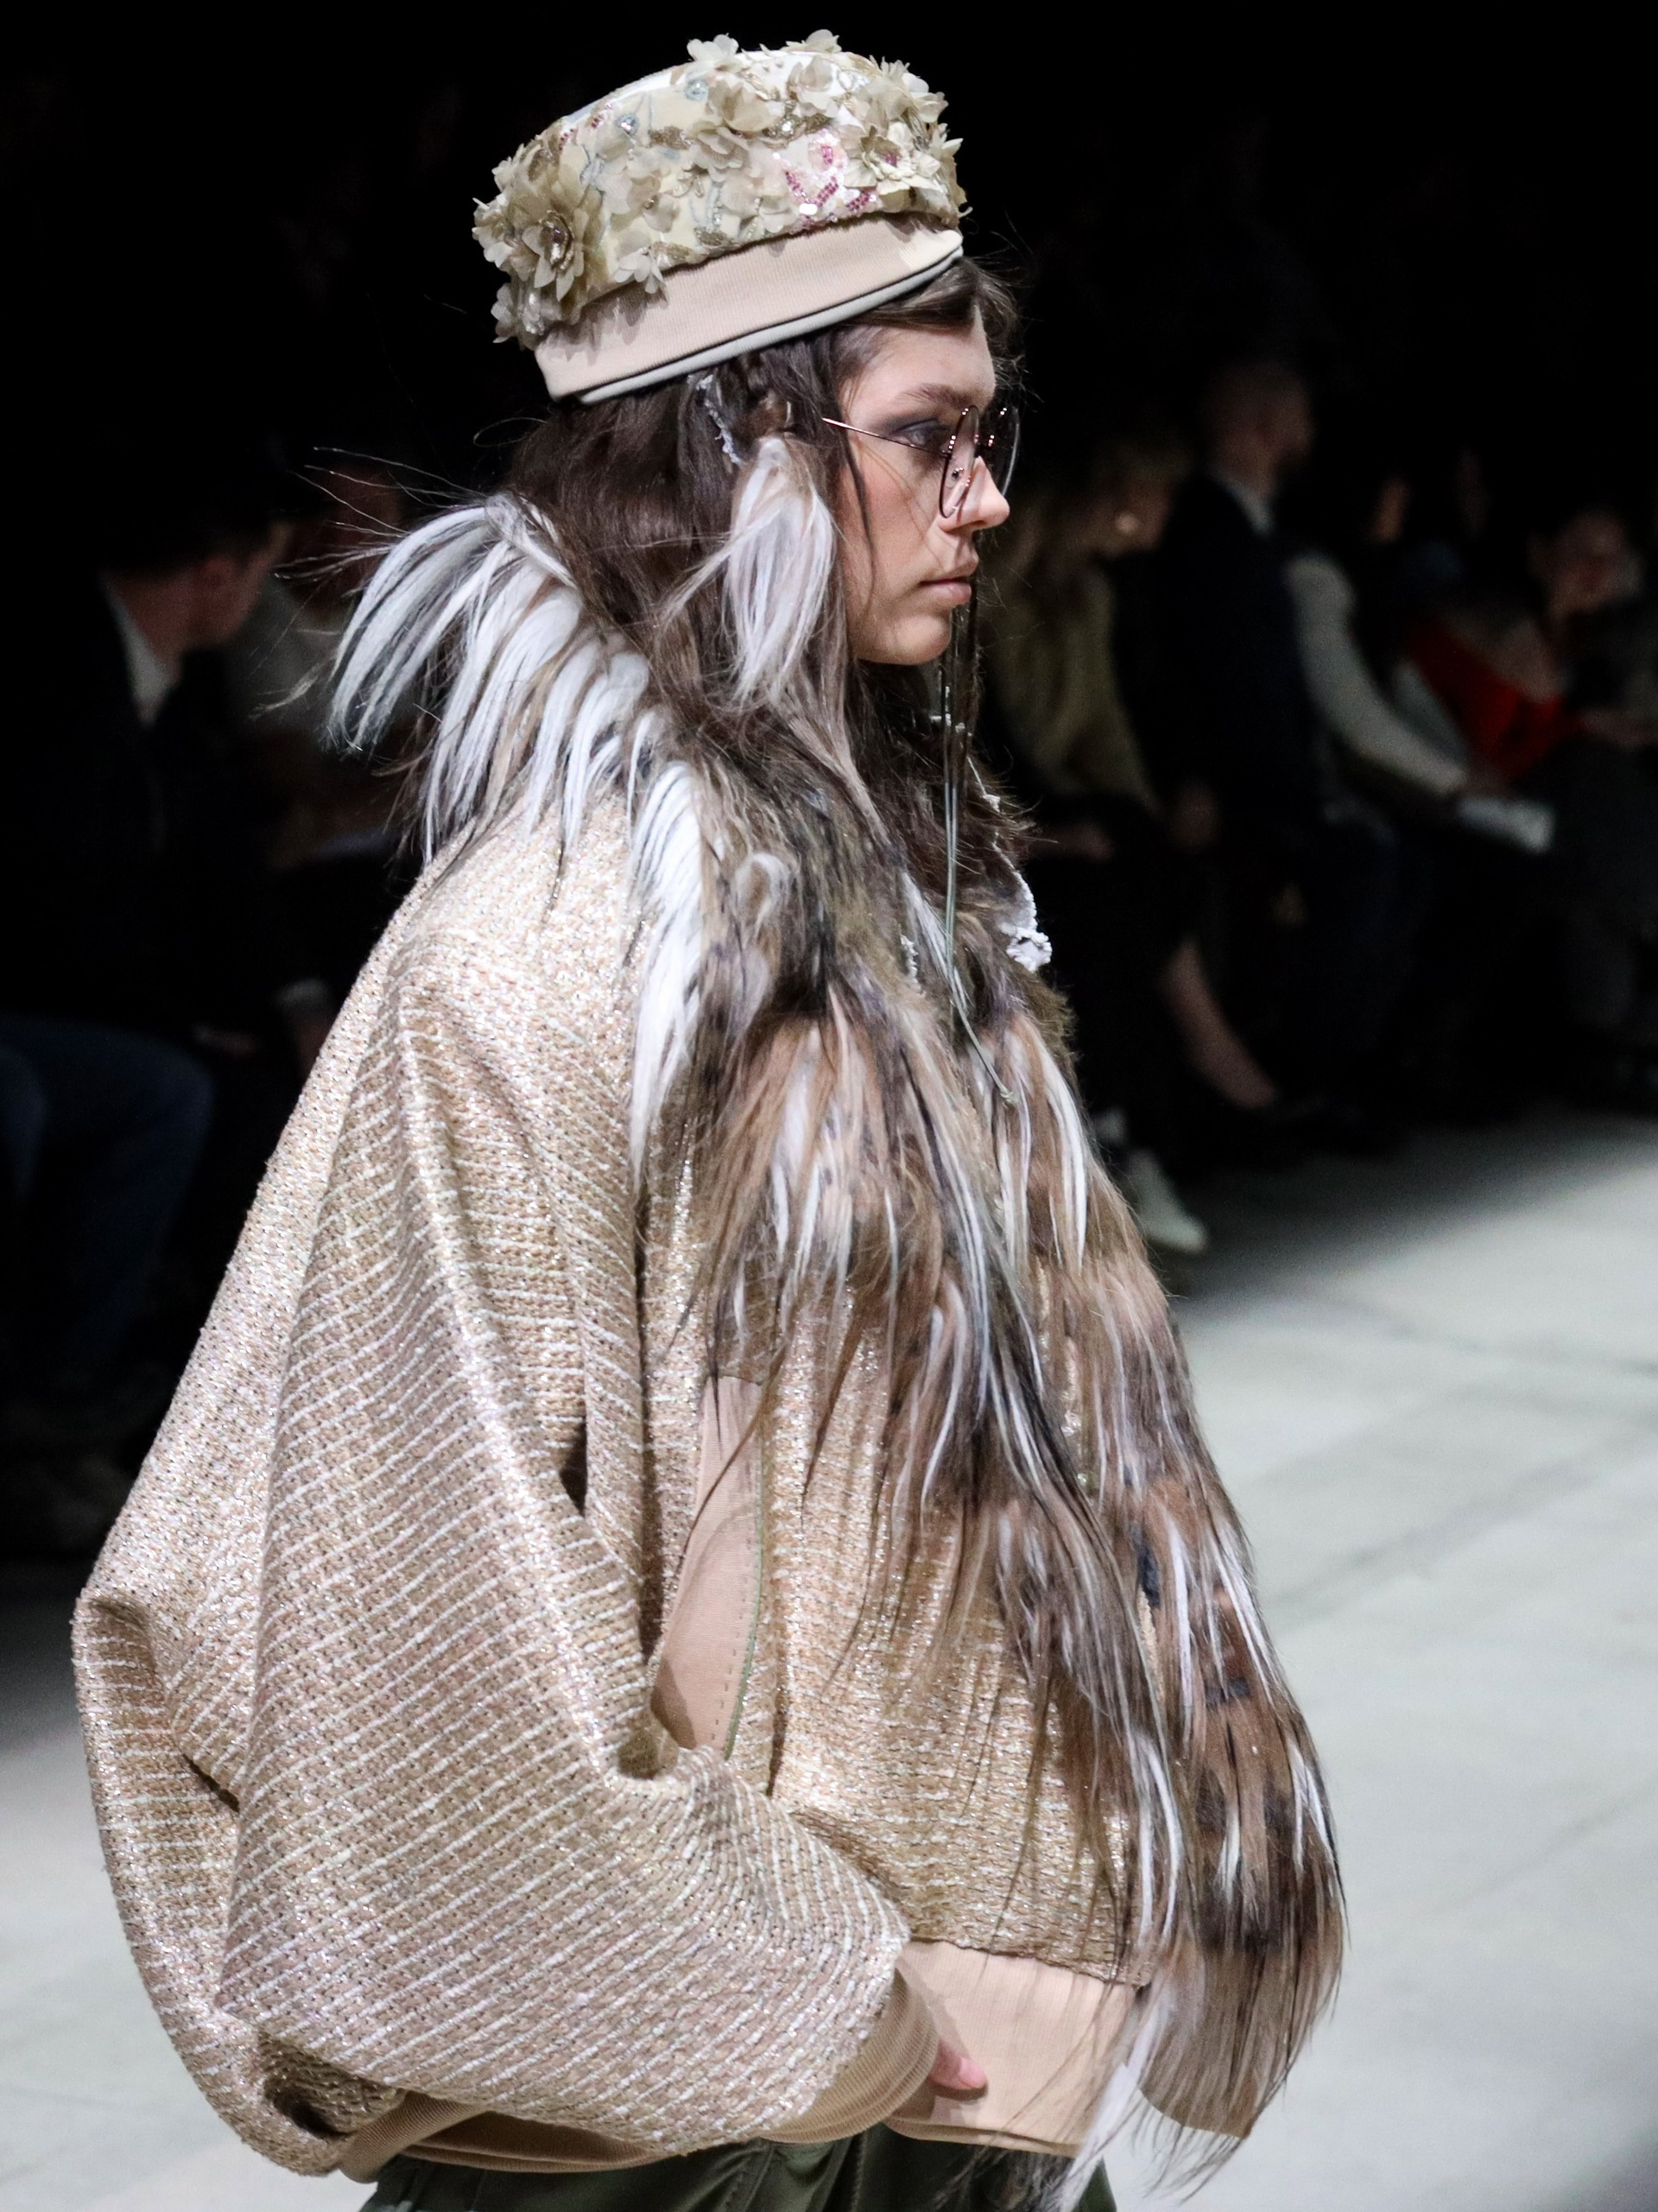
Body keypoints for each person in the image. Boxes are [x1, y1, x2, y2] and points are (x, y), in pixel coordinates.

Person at [75, 39, 1340, 2212]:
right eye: (927, 436)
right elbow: (405, 1606)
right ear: (740, 455)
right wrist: (798, 1992)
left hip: (937, 2054)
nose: (987, 499)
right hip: (710, 2093)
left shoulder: (902, 901)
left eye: (992, 434)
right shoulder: (542, 953)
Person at [982, 427, 1290, 1258]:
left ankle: (1130, 1131)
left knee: (1143, 873)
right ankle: (1164, 1098)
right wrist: (1054, 830)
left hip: (1058, 811)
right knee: (1115, 898)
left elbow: (1101, 731)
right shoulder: (979, 602)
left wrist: (1130, 821)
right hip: (1004, 826)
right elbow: (986, 748)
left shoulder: (1083, 595)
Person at [1157, 360, 1424, 1139]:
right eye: (1297, 416)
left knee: (1382, 857)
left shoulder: (1246, 527)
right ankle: (1305, 1078)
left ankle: (1330, 1072)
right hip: (1237, 782)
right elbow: (1210, 678)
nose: (1306, 434)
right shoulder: (1212, 529)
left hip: (1261, 774)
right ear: (1258, 424)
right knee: (1361, 862)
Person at [1407, 494, 1658, 1104]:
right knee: (1597, 794)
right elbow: (1489, 758)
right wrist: (1576, 730)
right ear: (1540, 554)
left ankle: (1611, 1043)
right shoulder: (1505, 624)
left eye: (1612, 557)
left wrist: (1579, 727)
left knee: (1600, 835)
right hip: (1453, 798)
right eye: (1582, 553)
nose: (1597, 570)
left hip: (1534, 809)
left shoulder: (1578, 637)